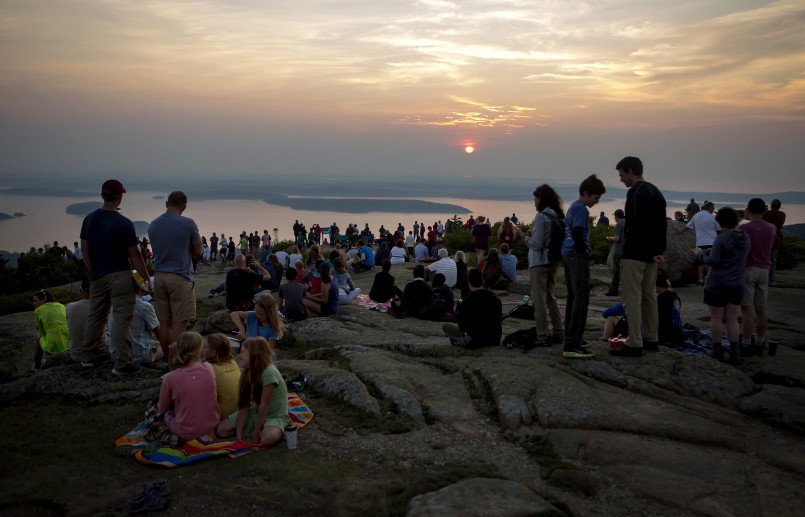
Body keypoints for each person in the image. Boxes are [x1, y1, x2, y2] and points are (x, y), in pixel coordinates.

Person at [79, 179, 151, 375]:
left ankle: (87, 359)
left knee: (96, 317)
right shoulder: (124, 223)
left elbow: (85, 249)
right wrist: (145, 278)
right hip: (120, 275)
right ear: (120, 197)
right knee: (121, 320)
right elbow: (134, 254)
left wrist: (92, 271)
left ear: (103, 195)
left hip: (97, 275)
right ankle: (122, 364)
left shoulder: (89, 219)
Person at [610, 157, 667, 358]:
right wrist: (659, 250)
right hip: (652, 255)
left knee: (631, 299)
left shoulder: (635, 192)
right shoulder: (656, 192)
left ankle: (634, 341)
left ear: (631, 171)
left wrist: (628, 249)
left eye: (622, 174)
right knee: (649, 296)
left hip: (634, 254)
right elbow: (662, 225)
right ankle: (651, 339)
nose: (621, 179)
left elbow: (633, 225)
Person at [148, 191, 203, 360]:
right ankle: (175, 361)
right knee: (180, 322)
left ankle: (167, 359)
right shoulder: (188, 223)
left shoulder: (153, 225)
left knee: (165, 323)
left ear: (166, 203)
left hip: (159, 277)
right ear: (184, 207)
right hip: (180, 277)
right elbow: (198, 250)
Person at [697, 207, 749, 364]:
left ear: (720, 222)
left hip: (718, 284)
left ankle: (717, 350)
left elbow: (713, 262)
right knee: (732, 318)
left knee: (717, 318)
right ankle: (734, 353)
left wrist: (700, 255)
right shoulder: (746, 237)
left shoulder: (721, 239)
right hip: (737, 284)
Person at [562, 174, 606, 358]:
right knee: (581, 297)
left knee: (573, 296)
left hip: (566, 253)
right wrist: (585, 251)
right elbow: (579, 231)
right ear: (586, 193)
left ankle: (571, 337)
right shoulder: (581, 209)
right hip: (576, 254)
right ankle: (572, 344)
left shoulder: (573, 206)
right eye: (595, 198)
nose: (596, 203)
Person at [516, 184, 565, 346]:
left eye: (536, 199)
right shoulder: (557, 216)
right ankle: (558, 331)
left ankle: (542, 335)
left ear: (541, 199)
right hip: (553, 261)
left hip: (539, 263)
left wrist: (523, 236)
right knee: (551, 297)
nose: (534, 202)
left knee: (539, 300)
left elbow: (536, 244)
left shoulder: (541, 217)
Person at [217, 337, 288, 446]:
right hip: (257, 411)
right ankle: (260, 429)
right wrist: (238, 430)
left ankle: (264, 430)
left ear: (254, 354)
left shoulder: (269, 372)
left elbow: (264, 406)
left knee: (268, 439)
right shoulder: (247, 372)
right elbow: (244, 404)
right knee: (221, 430)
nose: (239, 357)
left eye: (242, 353)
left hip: (274, 415)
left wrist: (255, 434)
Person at [158, 332, 220, 443]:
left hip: (185, 433)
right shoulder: (209, 368)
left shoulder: (170, 378)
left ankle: (170, 436)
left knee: (155, 409)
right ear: (198, 353)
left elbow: (163, 409)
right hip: (211, 429)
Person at [602, 269, 682, 347]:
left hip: (656, 333)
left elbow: (613, 311)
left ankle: (604, 341)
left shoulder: (654, 298)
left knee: (611, 318)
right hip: (675, 331)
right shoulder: (674, 296)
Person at [740, 198, 777, 356]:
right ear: (765, 211)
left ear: (748, 210)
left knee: (747, 309)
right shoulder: (771, 228)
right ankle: (760, 341)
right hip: (764, 270)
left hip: (748, 269)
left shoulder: (743, 228)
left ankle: (747, 342)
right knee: (761, 309)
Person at [442, 268, 502, 348]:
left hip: (475, 341)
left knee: (445, 327)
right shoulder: (495, 298)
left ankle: (457, 341)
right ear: (482, 281)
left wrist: (460, 306)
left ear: (469, 283)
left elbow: (462, 327)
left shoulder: (467, 301)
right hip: (495, 340)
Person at [108, 279, 162, 364]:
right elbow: (158, 332)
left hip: (116, 355)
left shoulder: (114, 306)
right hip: (140, 356)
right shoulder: (145, 306)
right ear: (141, 287)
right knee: (163, 346)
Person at [675, 201, 718, 286]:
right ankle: (710, 279)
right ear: (710, 208)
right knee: (710, 262)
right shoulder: (713, 217)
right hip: (712, 242)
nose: (713, 210)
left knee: (700, 262)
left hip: (700, 243)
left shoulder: (696, 216)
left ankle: (700, 280)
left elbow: (688, 226)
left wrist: (680, 231)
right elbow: (719, 229)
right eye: (713, 208)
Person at [202, 333, 241, 420]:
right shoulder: (233, 363)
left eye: (204, 347)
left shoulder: (211, 370)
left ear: (213, 353)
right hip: (236, 412)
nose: (202, 350)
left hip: (222, 417)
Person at [31, 289, 69, 370]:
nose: (33, 303)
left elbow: (40, 331)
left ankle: (37, 365)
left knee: (38, 335)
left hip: (52, 348)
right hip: (69, 343)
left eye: (35, 301)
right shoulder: (61, 305)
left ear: (43, 300)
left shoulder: (37, 311)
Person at [66, 279, 92, 363]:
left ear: (81, 291)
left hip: (76, 355)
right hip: (100, 354)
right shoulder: (103, 307)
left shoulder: (69, 307)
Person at [762, 199, 786, 286]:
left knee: (763, 258)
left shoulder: (766, 214)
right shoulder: (782, 215)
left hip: (765, 239)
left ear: (771, 205)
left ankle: (763, 278)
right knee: (773, 259)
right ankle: (771, 279)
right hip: (777, 239)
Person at [605, 209, 626, 296]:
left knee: (616, 272)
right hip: (626, 251)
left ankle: (614, 290)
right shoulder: (628, 223)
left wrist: (610, 238)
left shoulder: (619, 225)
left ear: (616, 216)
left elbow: (617, 238)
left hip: (618, 251)